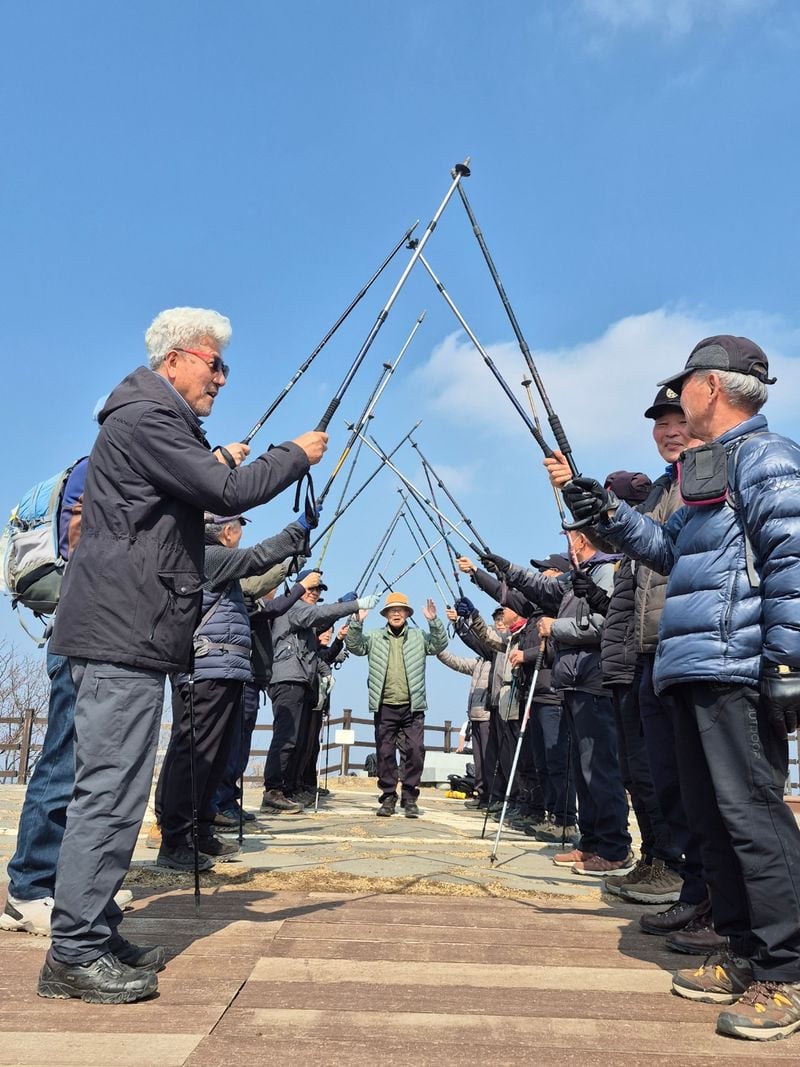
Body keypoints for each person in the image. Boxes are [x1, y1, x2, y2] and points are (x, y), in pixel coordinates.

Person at [38, 306, 328, 1005]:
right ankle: (72, 953)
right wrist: (294, 454)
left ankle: (96, 928)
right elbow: (225, 493)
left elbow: (191, 498)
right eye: (214, 362)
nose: (222, 377)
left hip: (131, 633)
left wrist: (218, 456)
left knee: (118, 792)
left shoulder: (147, 422)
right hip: (119, 634)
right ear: (174, 361)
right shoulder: (145, 418)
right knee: (107, 795)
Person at [558, 335, 800, 1041]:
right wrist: (610, 520)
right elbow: (672, 552)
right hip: (693, 667)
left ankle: (786, 972)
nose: (676, 398)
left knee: (752, 816)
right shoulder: (709, 468)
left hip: (737, 667)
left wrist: (787, 665)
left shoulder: (768, 458)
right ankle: (743, 948)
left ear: (713, 389)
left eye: (683, 385)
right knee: (711, 819)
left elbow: (793, 561)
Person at [155, 511, 314, 871]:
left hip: (226, 670)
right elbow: (256, 560)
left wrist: (292, 556)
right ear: (227, 532)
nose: (240, 535)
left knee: (216, 756)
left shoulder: (214, 559)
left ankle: (202, 829)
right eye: (239, 528)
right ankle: (177, 839)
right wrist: (297, 531)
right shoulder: (207, 555)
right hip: (207, 670)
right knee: (196, 756)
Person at [481, 528, 634, 876]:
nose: (568, 543)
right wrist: (504, 568)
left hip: (595, 681)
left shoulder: (608, 571)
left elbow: (607, 623)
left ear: (581, 540)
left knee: (600, 767)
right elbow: (541, 588)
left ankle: (614, 847)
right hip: (575, 682)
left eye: (571, 537)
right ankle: (591, 841)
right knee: (583, 770)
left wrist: (557, 628)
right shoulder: (577, 577)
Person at [262, 575, 372, 811]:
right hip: (288, 679)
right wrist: (353, 605)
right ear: (298, 588)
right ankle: (274, 791)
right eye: (311, 588)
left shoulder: (303, 613)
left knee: (298, 740)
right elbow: (320, 616)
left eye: (318, 590)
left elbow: (319, 630)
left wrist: (326, 670)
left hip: (300, 679)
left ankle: (288, 789)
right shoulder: (293, 608)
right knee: (286, 738)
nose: (315, 593)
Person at [346, 592, 447, 818]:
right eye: (392, 610)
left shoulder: (419, 636)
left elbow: (439, 644)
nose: (396, 613)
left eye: (400, 610)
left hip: (413, 705)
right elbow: (354, 647)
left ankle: (410, 797)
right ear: (385, 615)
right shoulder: (374, 636)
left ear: (407, 614)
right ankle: (389, 796)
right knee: (384, 753)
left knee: (415, 751)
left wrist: (434, 621)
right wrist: (356, 623)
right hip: (384, 705)